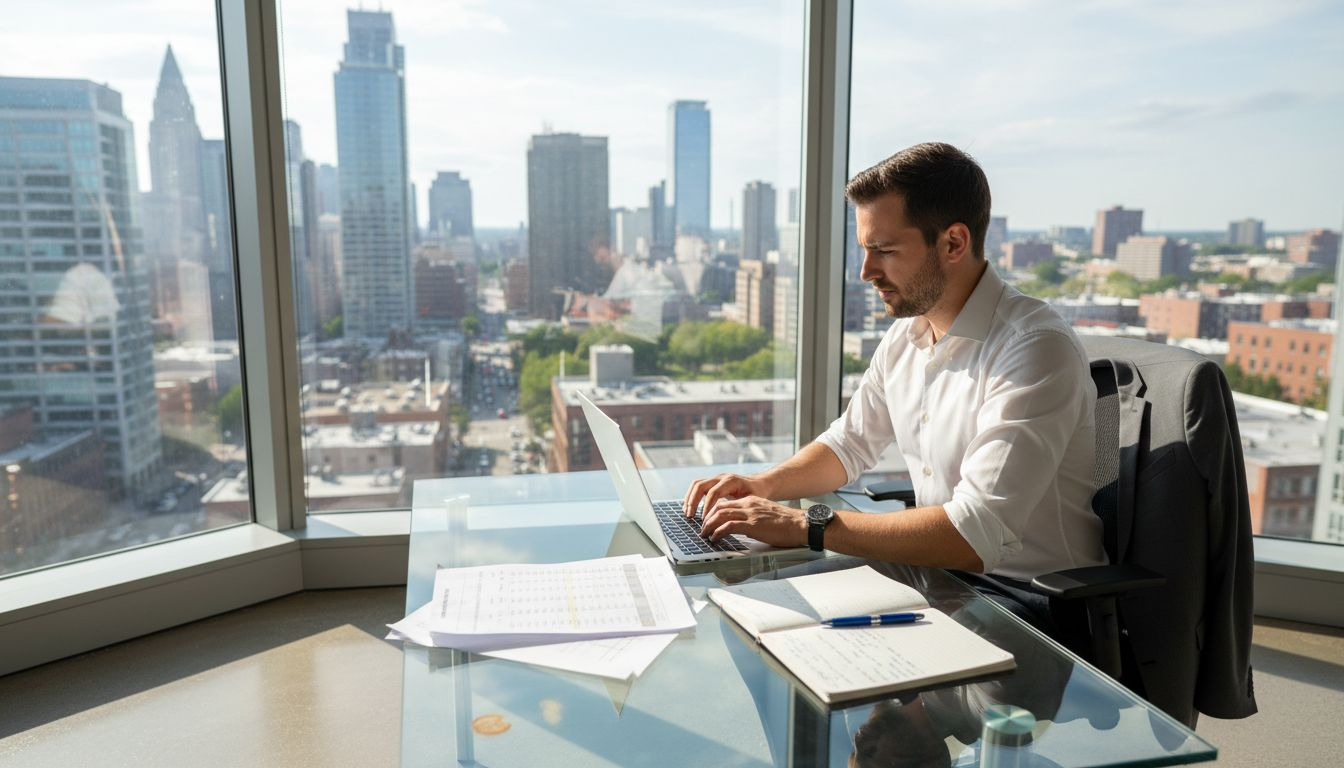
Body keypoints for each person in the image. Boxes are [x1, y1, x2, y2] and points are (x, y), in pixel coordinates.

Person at [684, 142, 1105, 653]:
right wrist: (762, 485)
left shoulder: (1035, 349)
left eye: (883, 250)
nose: (866, 272)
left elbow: (975, 531)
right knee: (755, 614)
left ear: (953, 243)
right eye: (864, 249)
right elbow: (851, 443)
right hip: (939, 581)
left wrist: (804, 524)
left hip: (1028, 606)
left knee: (820, 654)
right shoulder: (908, 334)